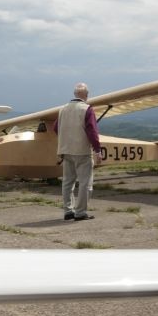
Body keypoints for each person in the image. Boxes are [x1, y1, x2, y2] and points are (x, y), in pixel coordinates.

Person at [54, 82, 102, 221]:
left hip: (65, 150)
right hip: (82, 152)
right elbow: (92, 131)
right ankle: (80, 212)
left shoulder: (62, 109)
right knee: (85, 183)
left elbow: (56, 127)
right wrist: (97, 150)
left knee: (68, 182)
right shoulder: (87, 109)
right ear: (86, 95)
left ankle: (68, 210)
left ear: (75, 94)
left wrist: (66, 138)